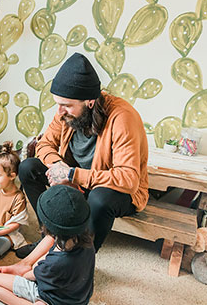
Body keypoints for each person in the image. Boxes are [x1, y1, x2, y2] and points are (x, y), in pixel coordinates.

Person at [16, 52, 149, 258]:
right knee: (28, 167)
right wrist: (60, 167)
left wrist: (72, 175)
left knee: (100, 197)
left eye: (67, 105)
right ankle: (49, 237)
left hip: (118, 192)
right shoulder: (64, 112)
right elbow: (44, 145)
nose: (59, 111)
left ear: (90, 102)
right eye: (57, 103)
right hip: (76, 180)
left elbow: (129, 179)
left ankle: (78, 257)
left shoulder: (123, 118)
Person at [0, 185, 95, 305]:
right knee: (50, 241)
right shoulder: (87, 242)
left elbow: (30, 276)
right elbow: (51, 242)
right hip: (79, 298)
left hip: (56, 302)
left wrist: (22, 274)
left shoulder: (55, 264)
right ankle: (24, 264)